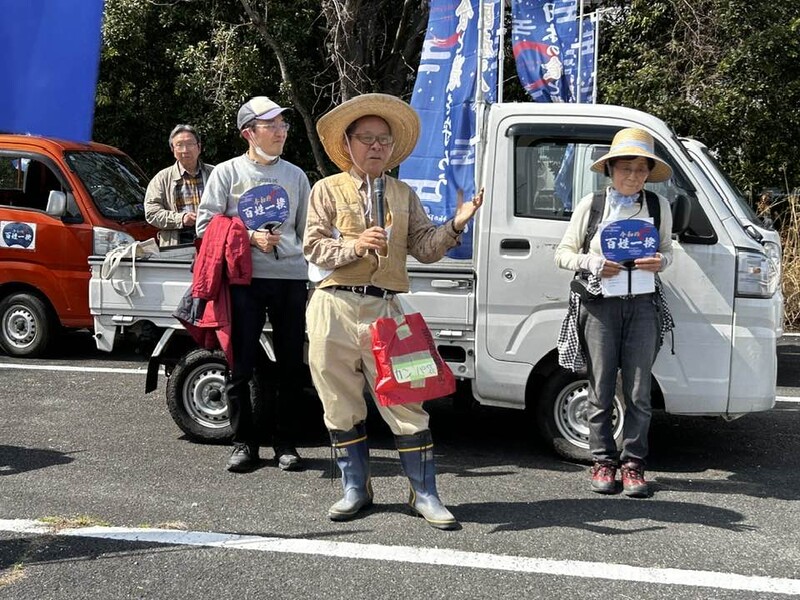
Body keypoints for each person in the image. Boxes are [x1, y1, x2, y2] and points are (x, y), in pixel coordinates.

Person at [303, 93, 483, 530]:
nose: (376, 146)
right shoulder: (326, 189)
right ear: (348, 143)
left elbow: (425, 247)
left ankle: (424, 493)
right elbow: (312, 245)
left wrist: (456, 223)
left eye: (383, 139)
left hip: (387, 309)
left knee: (407, 399)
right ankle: (355, 488)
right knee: (339, 403)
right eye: (366, 138)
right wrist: (354, 246)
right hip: (332, 304)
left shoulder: (403, 193)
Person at [554, 128, 674, 498]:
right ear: (610, 169)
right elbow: (562, 253)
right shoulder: (592, 205)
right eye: (626, 168)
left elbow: (668, 251)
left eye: (641, 169)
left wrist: (661, 262)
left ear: (648, 173)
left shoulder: (658, 207)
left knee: (639, 391)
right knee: (601, 386)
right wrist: (592, 263)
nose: (633, 176)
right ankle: (603, 461)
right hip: (600, 304)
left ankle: (634, 465)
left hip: (643, 305)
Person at [196, 97, 310, 474]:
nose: (280, 132)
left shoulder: (296, 175)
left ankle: (286, 444)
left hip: (291, 278)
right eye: (271, 125)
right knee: (241, 364)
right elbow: (205, 226)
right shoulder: (227, 173)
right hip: (244, 280)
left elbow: (307, 231)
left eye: (283, 125)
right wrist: (248, 237)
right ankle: (244, 443)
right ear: (249, 133)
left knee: (291, 365)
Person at [145, 124, 214, 246]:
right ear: (173, 150)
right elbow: (151, 213)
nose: (185, 150)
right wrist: (181, 218)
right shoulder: (162, 178)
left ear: (199, 147)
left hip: (212, 238)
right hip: (176, 243)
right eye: (179, 145)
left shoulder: (215, 173)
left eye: (190, 144)